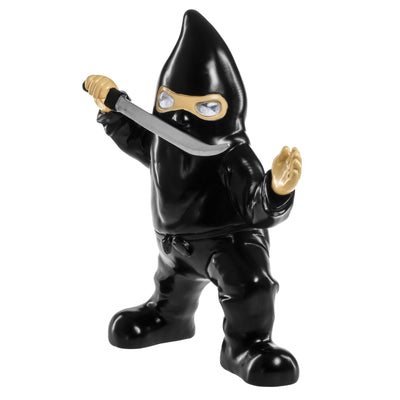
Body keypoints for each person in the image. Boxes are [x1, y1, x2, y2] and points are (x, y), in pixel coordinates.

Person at [84, 9, 302, 387]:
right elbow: (135, 137)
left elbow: (258, 208)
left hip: (229, 244)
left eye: (204, 107)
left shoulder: (233, 154)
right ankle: (170, 318)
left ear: (228, 108)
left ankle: (246, 345)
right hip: (175, 244)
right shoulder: (161, 139)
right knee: (171, 286)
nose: (183, 118)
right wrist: (111, 110)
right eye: (170, 103)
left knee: (250, 288)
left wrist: (277, 189)